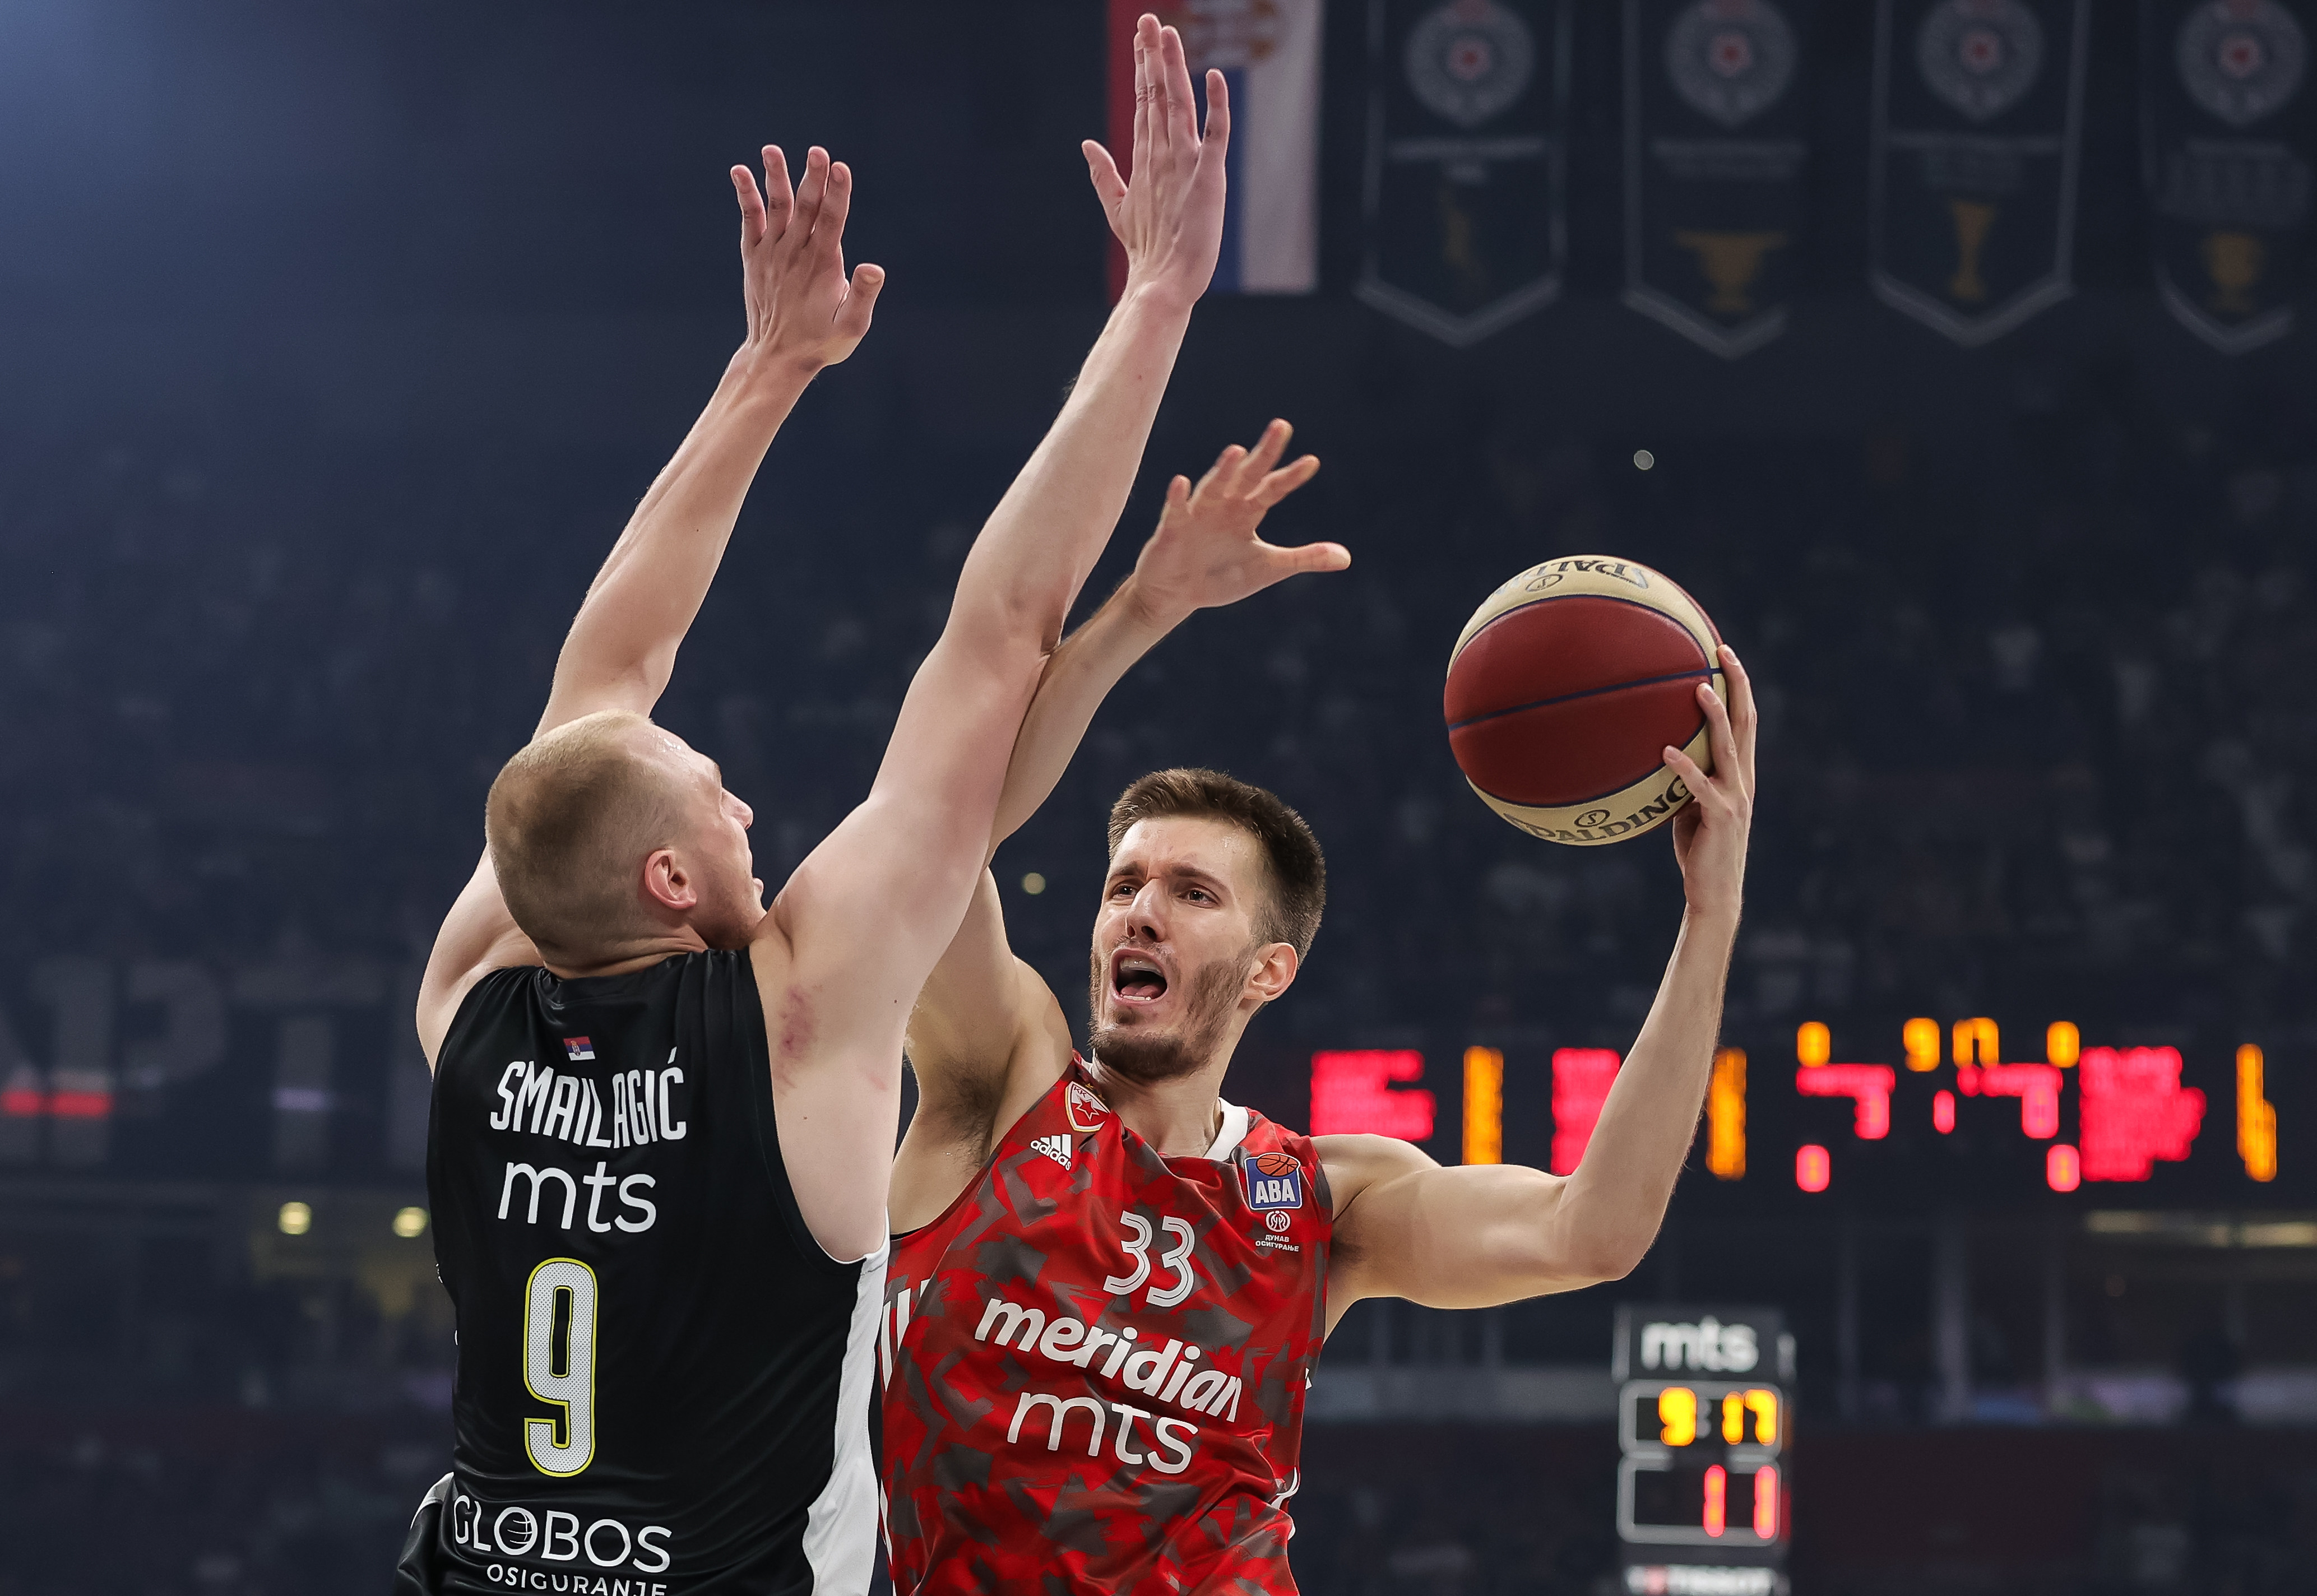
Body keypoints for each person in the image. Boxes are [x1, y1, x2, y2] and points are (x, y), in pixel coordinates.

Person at [398, 17, 1241, 1591]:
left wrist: (765, 369)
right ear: (662, 882)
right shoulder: (796, 1019)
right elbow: (993, 639)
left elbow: (606, 680)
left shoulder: (468, 1003)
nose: (744, 812)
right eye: (714, 802)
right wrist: (1154, 304)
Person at [878, 544, 1756, 1586]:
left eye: (1193, 894)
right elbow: (929, 834)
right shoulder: (1001, 1087)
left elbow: (1592, 1231)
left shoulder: (1320, 1200)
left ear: (1268, 972)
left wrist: (1711, 914)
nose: (1142, 911)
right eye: (1124, 887)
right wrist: (1139, 613)